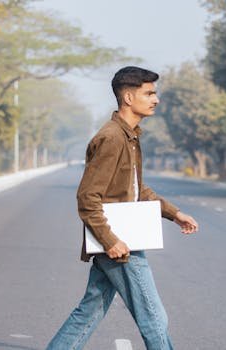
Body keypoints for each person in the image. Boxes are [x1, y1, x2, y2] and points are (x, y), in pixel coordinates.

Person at [46, 66, 199, 350]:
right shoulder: (113, 138)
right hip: (120, 243)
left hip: (122, 239)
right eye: (149, 93)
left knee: (88, 314)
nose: (156, 99)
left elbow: (136, 190)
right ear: (128, 97)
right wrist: (110, 240)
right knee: (154, 318)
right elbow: (87, 197)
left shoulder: (128, 136)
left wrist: (174, 214)